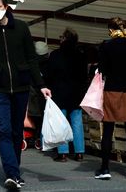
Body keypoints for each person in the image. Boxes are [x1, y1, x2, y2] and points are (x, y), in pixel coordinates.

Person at [0, 0, 51, 189]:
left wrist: (41, 85)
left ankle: (14, 170)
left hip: (21, 88)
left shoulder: (22, 29)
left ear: (6, 7)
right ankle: (12, 174)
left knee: (17, 132)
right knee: (4, 131)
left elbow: (32, 59)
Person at [95, 17, 126, 180]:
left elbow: (102, 70)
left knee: (108, 131)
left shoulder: (106, 46)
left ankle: (105, 168)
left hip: (111, 91)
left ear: (110, 30)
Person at [46, 28, 88, 162]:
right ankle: (79, 152)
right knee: (77, 123)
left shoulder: (55, 55)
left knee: (60, 123)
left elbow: (49, 75)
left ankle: (63, 153)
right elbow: (84, 76)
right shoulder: (81, 55)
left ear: (64, 39)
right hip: (76, 93)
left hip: (59, 92)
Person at [27, 41, 50, 150]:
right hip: (44, 97)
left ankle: (34, 136)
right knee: (42, 118)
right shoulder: (48, 64)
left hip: (33, 95)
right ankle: (39, 137)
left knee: (34, 117)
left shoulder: (31, 63)